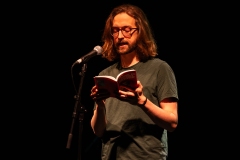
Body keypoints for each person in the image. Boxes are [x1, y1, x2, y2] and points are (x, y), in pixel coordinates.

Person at [90, 4, 178, 160]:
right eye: (115, 30)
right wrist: (101, 106)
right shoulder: (105, 74)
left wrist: (142, 102)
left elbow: (172, 122)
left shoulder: (159, 68)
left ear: (140, 32)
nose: (120, 36)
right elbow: (98, 131)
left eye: (127, 29)